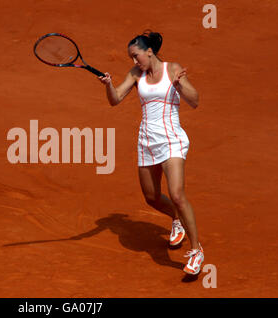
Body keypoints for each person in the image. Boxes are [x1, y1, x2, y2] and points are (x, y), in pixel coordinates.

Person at [98, 30, 204, 275]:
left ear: (149, 51)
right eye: (131, 58)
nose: (134, 62)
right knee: (152, 197)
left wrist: (179, 86)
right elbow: (115, 100)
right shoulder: (137, 74)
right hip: (146, 141)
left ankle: (196, 250)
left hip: (171, 140)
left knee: (176, 193)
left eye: (136, 56)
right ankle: (177, 219)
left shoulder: (172, 69)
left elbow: (195, 100)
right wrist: (108, 86)